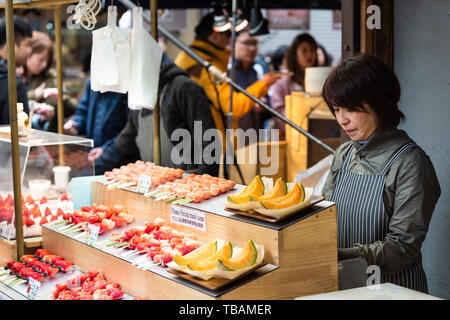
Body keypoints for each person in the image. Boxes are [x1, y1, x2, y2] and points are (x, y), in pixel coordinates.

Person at [321, 54, 441, 293]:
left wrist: (338, 256)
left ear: (379, 103)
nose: (342, 119)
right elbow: (323, 217)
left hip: (394, 290)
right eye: (336, 109)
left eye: (351, 109)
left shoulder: (410, 163)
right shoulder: (343, 154)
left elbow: (402, 247)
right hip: (345, 288)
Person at [174, 12, 283, 147]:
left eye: (255, 43)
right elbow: (232, 107)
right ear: (214, 35)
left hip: (213, 139)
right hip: (206, 143)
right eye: (227, 35)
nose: (228, 40)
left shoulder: (199, 59)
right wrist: (263, 84)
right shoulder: (202, 65)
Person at [100, 55, 219, 177]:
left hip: (186, 184)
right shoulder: (140, 96)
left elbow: (208, 140)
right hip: (151, 186)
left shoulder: (184, 88)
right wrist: (100, 155)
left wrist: (204, 182)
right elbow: (126, 140)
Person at [63, 79, 129, 175]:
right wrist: (76, 123)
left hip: (119, 158)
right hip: (93, 153)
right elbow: (83, 111)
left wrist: (105, 149)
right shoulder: (94, 81)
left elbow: (131, 129)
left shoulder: (126, 86)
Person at [18, 31, 78, 131]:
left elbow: (72, 108)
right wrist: (35, 95)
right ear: (28, 54)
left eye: (47, 60)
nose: (44, 64)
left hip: (48, 135)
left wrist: (62, 99)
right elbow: (10, 105)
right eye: (41, 60)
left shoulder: (51, 77)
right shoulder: (14, 75)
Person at [270, 33, 318, 140]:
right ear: (294, 53)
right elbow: (277, 109)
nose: (309, 54)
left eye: (313, 50)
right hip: (288, 136)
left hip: (315, 134)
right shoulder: (281, 80)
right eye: (304, 50)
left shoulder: (319, 79)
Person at [231, 28, 272, 139]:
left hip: (255, 136)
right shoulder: (227, 72)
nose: (252, 48)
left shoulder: (258, 71)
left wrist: (263, 106)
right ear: (233, 43)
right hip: (233, 138)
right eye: (247, 43)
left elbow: (269, 108)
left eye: (255, 43)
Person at [0, 16, 32, 124]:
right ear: (12, 44)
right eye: (27, 44)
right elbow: (20, 131)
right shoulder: (14, 84)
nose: (29, 50)